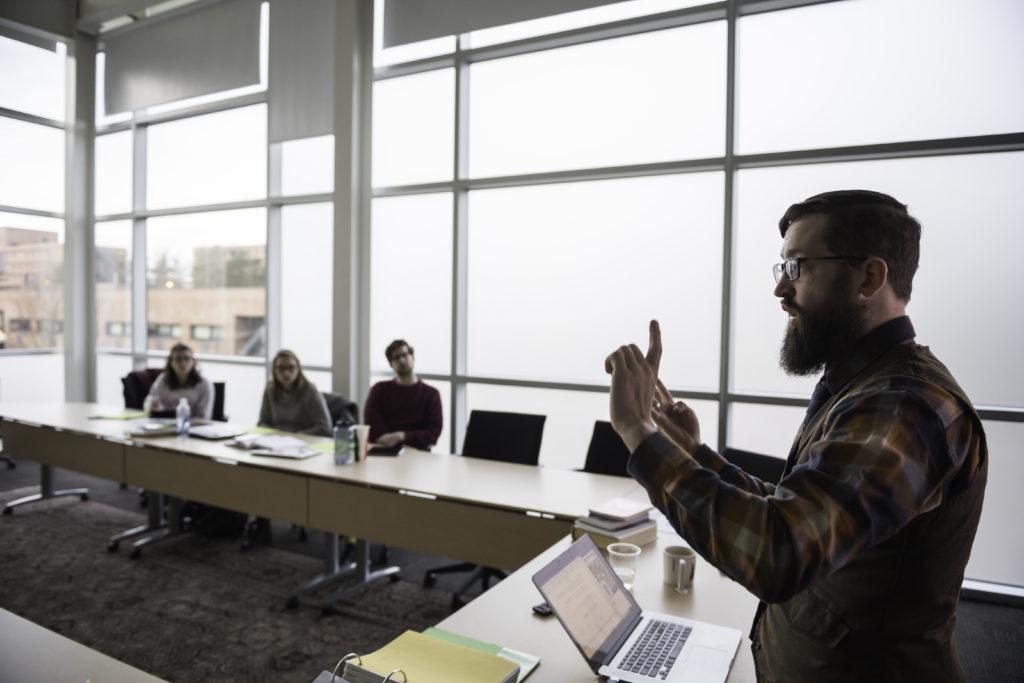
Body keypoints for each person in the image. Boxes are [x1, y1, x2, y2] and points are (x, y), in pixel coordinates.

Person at [605, 190, 987, 682]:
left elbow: (778, 551)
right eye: (781, 268)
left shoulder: (903, 407)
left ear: (869, 277)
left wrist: (638, 432)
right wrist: (692, 453)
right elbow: (799, 511)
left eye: (798, 266)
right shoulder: (862, 386)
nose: (780, 290)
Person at [364, 339, 442, 450]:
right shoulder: (379, 390)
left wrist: (401, 436)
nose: (401, 360)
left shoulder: (431, 394)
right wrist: (391, 440)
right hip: (384, 451)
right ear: (391, 364)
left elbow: (433, 432)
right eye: (396, 358)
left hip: (418, 454)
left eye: (404, 355)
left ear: (412, 357)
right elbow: (372, 425)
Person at [258, 349, 332, 436]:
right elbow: (262, 422)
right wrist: (275, 435)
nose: (286, 373)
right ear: (274, 370)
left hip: (304, 440)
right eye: (281, 368)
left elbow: (325, 428)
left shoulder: (310, 390)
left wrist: (294, 435)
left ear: (298, 369)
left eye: (291, 367)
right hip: (277, 441)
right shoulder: (270, 388)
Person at [146, 342, 214, 419]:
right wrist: (153, 405)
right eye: (178, 359)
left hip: (193, 427)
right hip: (165, 424)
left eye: (187, 358)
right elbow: (151, 400)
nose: (182, 363)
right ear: (171, 362)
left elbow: (204, 416)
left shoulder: (204, 384)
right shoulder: (163, 380)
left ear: (193, 362)